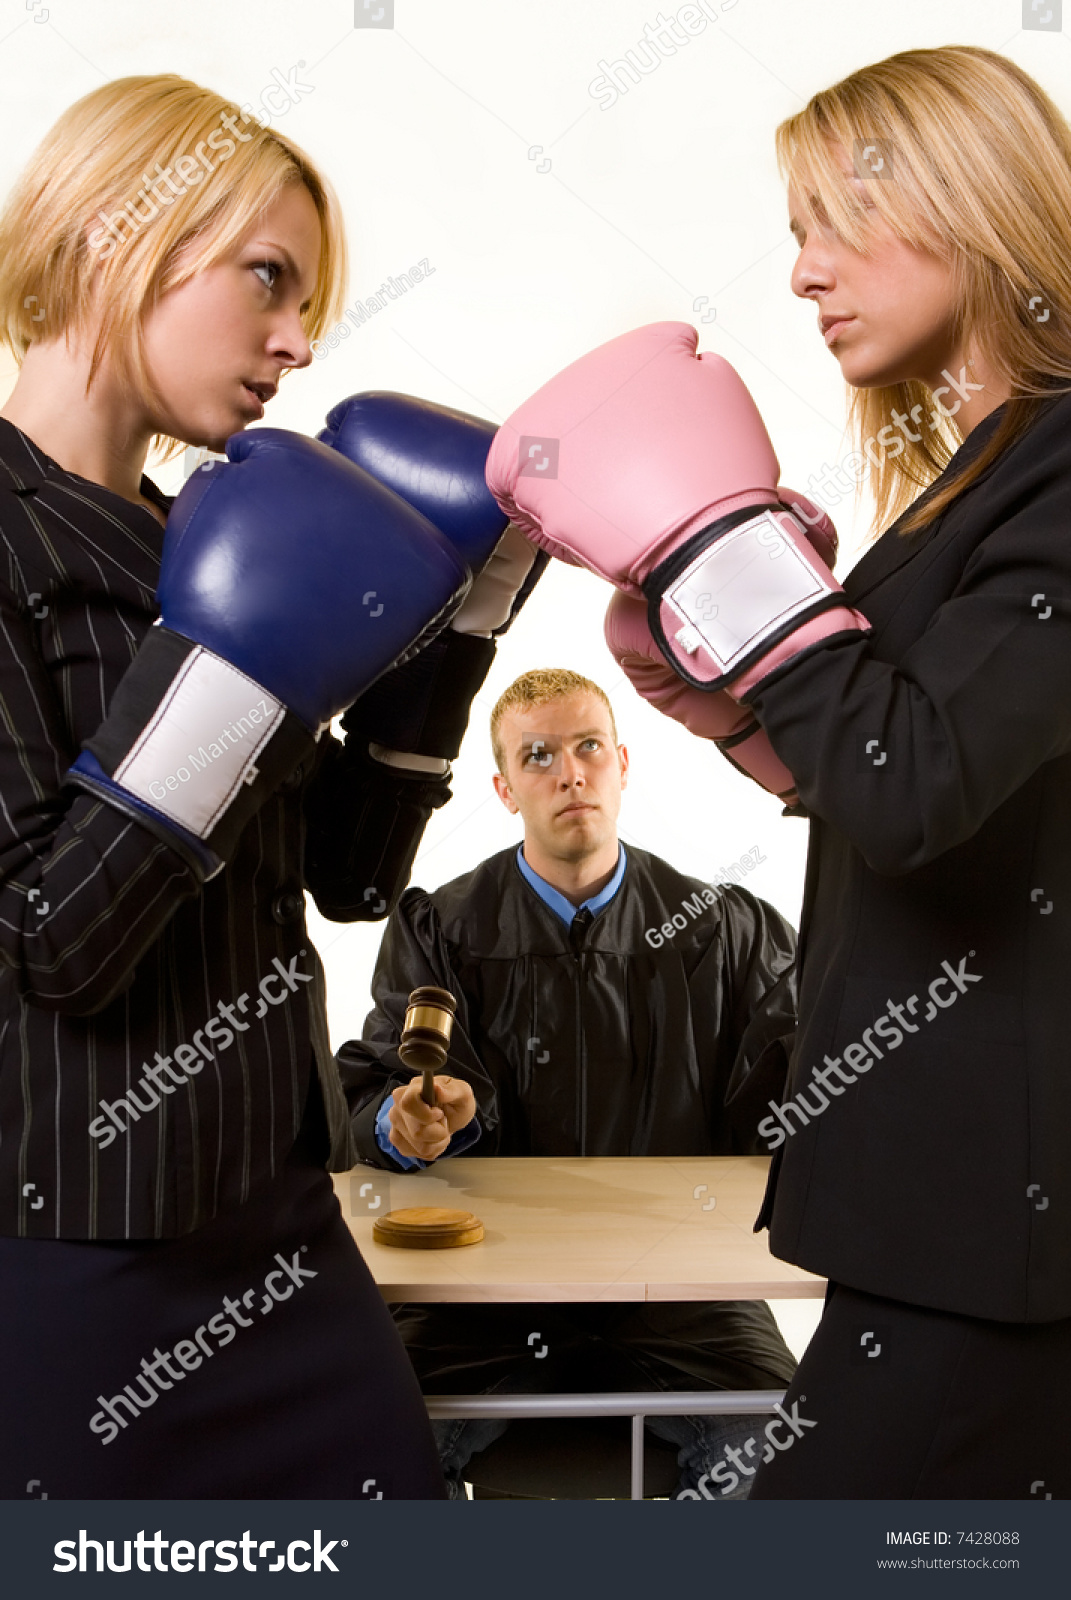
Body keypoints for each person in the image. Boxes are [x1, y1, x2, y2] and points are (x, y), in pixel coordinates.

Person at [484, 45, 1071, 1499]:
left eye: (834, 218)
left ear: (974, 200)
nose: (800, 271)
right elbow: (914, 796)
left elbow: (910, 783)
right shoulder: (983, 466)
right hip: (941, 1201)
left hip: (987, 1207)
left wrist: (720, 555)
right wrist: (736, 717)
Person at [0, 73, 529, 1500]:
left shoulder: (219, 529)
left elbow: (348, 879)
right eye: (267, 279)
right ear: (117, 238)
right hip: (76, 1252)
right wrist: (231, 666)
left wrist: (456, 624)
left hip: (283, 1227)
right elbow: (52, 947)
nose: (298, 343)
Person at [339, 667, 800, 1499]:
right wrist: (402, 1127)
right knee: (356, 1448)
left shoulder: (723, 932)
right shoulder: (441, 929)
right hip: (472, 1302)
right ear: (505, 788)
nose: (569, 772)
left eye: (588, 746)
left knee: (792, 1451)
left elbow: (792, 1100)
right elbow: (376, 1092)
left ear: (623, 762)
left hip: (685, 1303)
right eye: (538, 755)